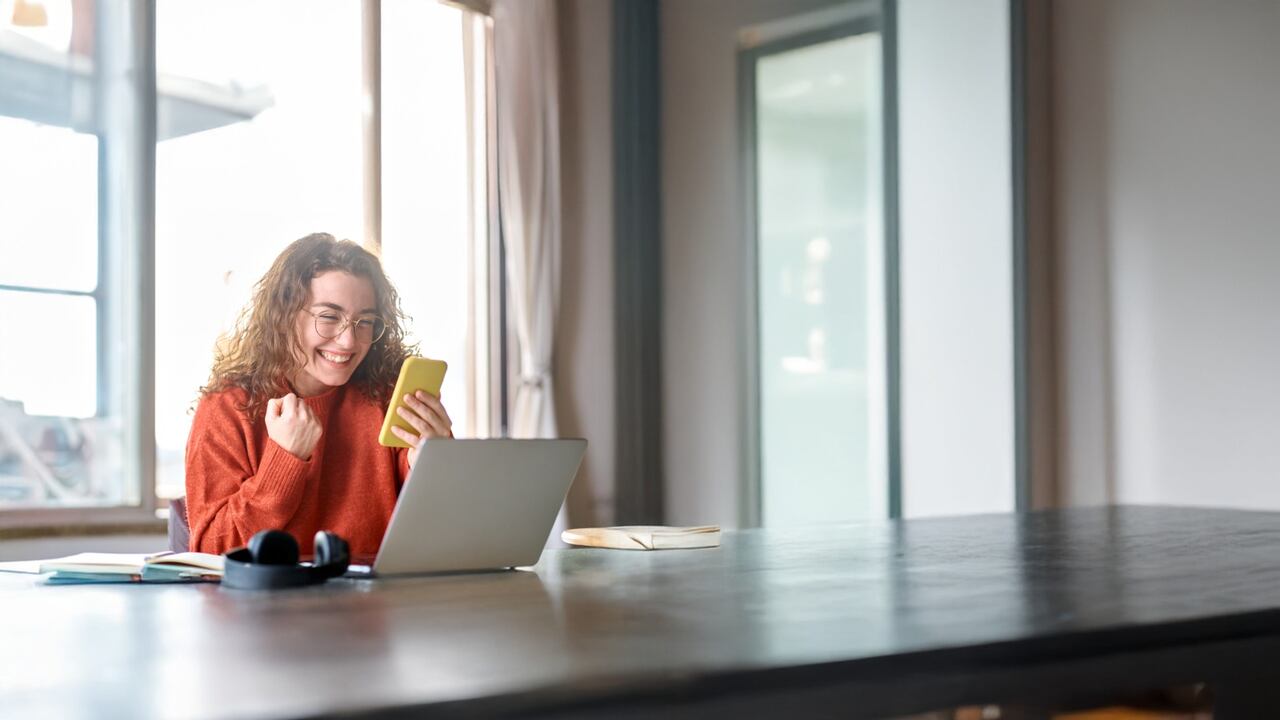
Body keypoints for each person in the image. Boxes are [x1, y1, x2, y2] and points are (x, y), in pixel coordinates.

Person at [184, 233, 453, 556]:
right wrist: (284, 461)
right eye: (328, 317)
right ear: (283, 314)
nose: (348, 342)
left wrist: (435, 466)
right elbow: (210, 551)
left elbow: (439, 540)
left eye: (365, 321)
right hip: (266, 604)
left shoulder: (388, 399)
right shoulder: (227, 408)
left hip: (379, 602)